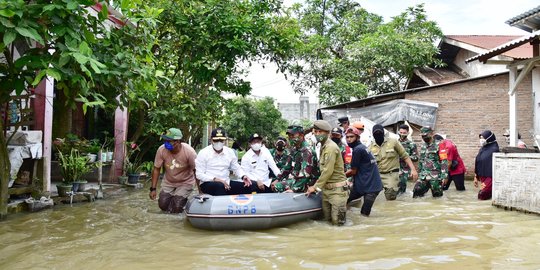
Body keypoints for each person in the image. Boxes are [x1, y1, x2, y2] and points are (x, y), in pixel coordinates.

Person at [306, 120, 349, 226]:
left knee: (338, 224)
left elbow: (327, 171)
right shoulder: (323, 146)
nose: (316, 134)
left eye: (319, 132)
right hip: (326, 190)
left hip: (337, 191)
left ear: (326, 132)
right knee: (328, 222)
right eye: (315, 132)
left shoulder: (331, 148)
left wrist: (315, 187)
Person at [149, 128, 197, 213]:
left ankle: (184, 204)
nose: (166, 143)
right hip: (169, 182)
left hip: (185, 182)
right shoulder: (161, 150)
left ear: (177, 142)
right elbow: (156, 169)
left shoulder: (189, 152)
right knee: (163, 205)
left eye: (169, 141)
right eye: (165, 140)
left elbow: (196, 171)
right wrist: (153, 189)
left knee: (177, 206)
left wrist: (201, 192)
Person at [195, 127, 252, 195]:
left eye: (221, 140)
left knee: (250, 186)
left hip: (226, 182)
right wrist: (215, 179)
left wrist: (243, 176)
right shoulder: (203, 153)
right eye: (216, 140)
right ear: (211, 140)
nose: (219, 142)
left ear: (225, 140)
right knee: (220, 187)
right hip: (209, 183)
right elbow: (199, 174)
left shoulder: (229, 152)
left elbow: (236, 168)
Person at [369, 124, 418, 200]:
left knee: (393, 194)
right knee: (370, 195)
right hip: (378, 174)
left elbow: (406, 156)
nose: (402, 134)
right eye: (376, 134)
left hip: (394, 173)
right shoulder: (371, 147)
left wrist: (413, 169)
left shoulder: (393, 142)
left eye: (404, 132)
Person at [344, 127, 383, 216]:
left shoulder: (358, 150)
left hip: (371, 188)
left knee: (364, 214)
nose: (349, 140)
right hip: (362, 185)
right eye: (347, 137)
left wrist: (339, 177)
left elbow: (353, 171)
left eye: (351, 137)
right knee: (344, 200)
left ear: (357, 137)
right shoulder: (363, 147)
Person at [272, 125, 319, 193]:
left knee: (279, 187)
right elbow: (287, 168)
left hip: (309, 181)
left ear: (302, 135)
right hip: (296, 179)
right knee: (276, 185)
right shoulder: (294, 150)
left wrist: (294, 189)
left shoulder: (307, 151)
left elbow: (305, 174)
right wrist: (277, 179)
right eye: (289, 136)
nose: (291, 138)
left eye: (293, 135)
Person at [413, 126, 448, 198]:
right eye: (422, 136)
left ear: (432, 133)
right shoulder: (423, 145)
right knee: (416, 192)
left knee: (437, 198)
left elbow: (444, 161)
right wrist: (419, 173)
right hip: (423, 176)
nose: (424, 137)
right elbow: (421, 160)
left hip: (435, 176)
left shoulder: (440, 145)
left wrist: (444, 176)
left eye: (425, 135)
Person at [474, 130, 499, 200]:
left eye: (483, 138)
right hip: (482, 175)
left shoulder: (494, 150)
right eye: (480, 138)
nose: (481, 140)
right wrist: (476, 176)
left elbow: (445, 162)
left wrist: (444, 175)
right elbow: (478, 161)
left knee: (482, 194)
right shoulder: (482, 149)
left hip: (489, 177)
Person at [398, 124, 418, 194]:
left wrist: (406, 157)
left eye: (404, 133)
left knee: (402, 188)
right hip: (394, 169)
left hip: (405, 170)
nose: (402, 134)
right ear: (398, 132)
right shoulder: (395, 143)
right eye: (401, 133)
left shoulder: (411, 144)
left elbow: (416, 158)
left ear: (408, 133)